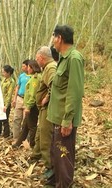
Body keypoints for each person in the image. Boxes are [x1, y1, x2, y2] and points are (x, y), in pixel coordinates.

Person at [45, 25, 84, 187]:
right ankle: (56, 182)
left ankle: (64, 184)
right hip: (57, 116)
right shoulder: (63, 58)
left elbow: (74, 92)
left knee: (63, 157)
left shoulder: (74, 58)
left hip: (64, 119)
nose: (53, 41)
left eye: (54, 36)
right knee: (56, 154)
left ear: (59, 38)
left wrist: (67, 120)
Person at [28, 46, 57, 178]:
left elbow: (54, 86)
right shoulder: (48, 67)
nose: (36, 61)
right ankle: (36, 155)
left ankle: (50, 168)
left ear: (41, 57)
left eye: (36, 58)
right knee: (40, 134)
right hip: (44, 109)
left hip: (49, 108)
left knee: (46, 138)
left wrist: (46, 98)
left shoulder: (51, 67)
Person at [12, 60, 41, 148]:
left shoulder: (35, 79)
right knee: (25, 125)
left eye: (28, 67)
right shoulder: (32, 77)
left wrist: (28, 107)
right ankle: (18, 143)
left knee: (32, 126)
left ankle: (31, 143)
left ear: (32, 68)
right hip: (28, 103)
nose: (27, 69)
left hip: (32, 105)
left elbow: (32, 94)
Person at [11, 60, 31, 140]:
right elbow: (17, 87)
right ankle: (15, 138)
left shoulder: (33, 76)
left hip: (27, 100)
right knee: (16, 118)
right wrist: (14, 98)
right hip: (20, 98)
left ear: (28, 66)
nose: (22, 68)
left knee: (26, 120)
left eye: (24, 66)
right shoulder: (21, 76)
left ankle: (25, 139)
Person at [0, 65, 14, 138]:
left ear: (8, 73)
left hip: (5, 103)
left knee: (5, 120)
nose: (3, 73)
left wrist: (6, 105)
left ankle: (6, 134)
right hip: (0, 102)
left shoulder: (11, 82)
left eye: (4, 72)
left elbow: (9, 95)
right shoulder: (3, 79)